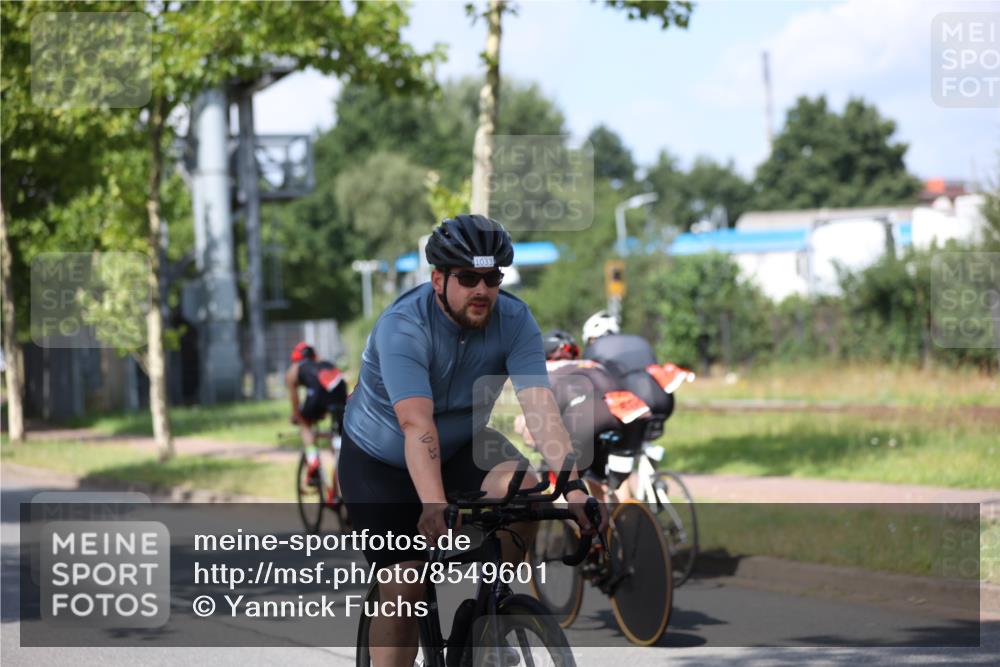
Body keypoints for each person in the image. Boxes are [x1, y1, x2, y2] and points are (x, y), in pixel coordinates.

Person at [339, 215, 607, 667]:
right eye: (467, 278)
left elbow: (540, 408)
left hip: (461, 447)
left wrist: (574, 487)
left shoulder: (515, 319)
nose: (482, 290)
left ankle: (492, 618)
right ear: (438, 279)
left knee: (527, 489)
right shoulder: (403, 327)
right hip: (380, 460)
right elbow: (417, 426)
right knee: (406, 587)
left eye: (491, 278)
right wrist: (432, 503)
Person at [285, 342, 347, 482]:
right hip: (340, 393)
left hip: (317, 395)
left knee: (304, 424)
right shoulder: (325, 363)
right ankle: (338, 484)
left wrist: (297, 415)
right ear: (313, 356)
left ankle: (312, 461)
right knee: (338, 436)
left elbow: (295, 399)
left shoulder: (294, 368)